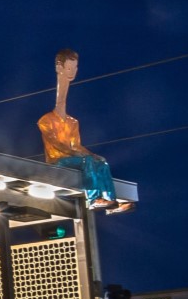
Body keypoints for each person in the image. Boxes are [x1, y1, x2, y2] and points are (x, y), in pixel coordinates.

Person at [38, 48, 131, 213]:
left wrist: (91, 154)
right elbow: (56, 143)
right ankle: (94, 198)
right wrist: (79, 154)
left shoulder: (73, 122)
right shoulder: (46, 120)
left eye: (75, 68)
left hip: (73, 159)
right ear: (59, 67)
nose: (72, 72)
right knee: (86, 161)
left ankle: (111, 201)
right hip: (57, 161)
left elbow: (77, 146)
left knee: (101, 163)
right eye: (68, 68)